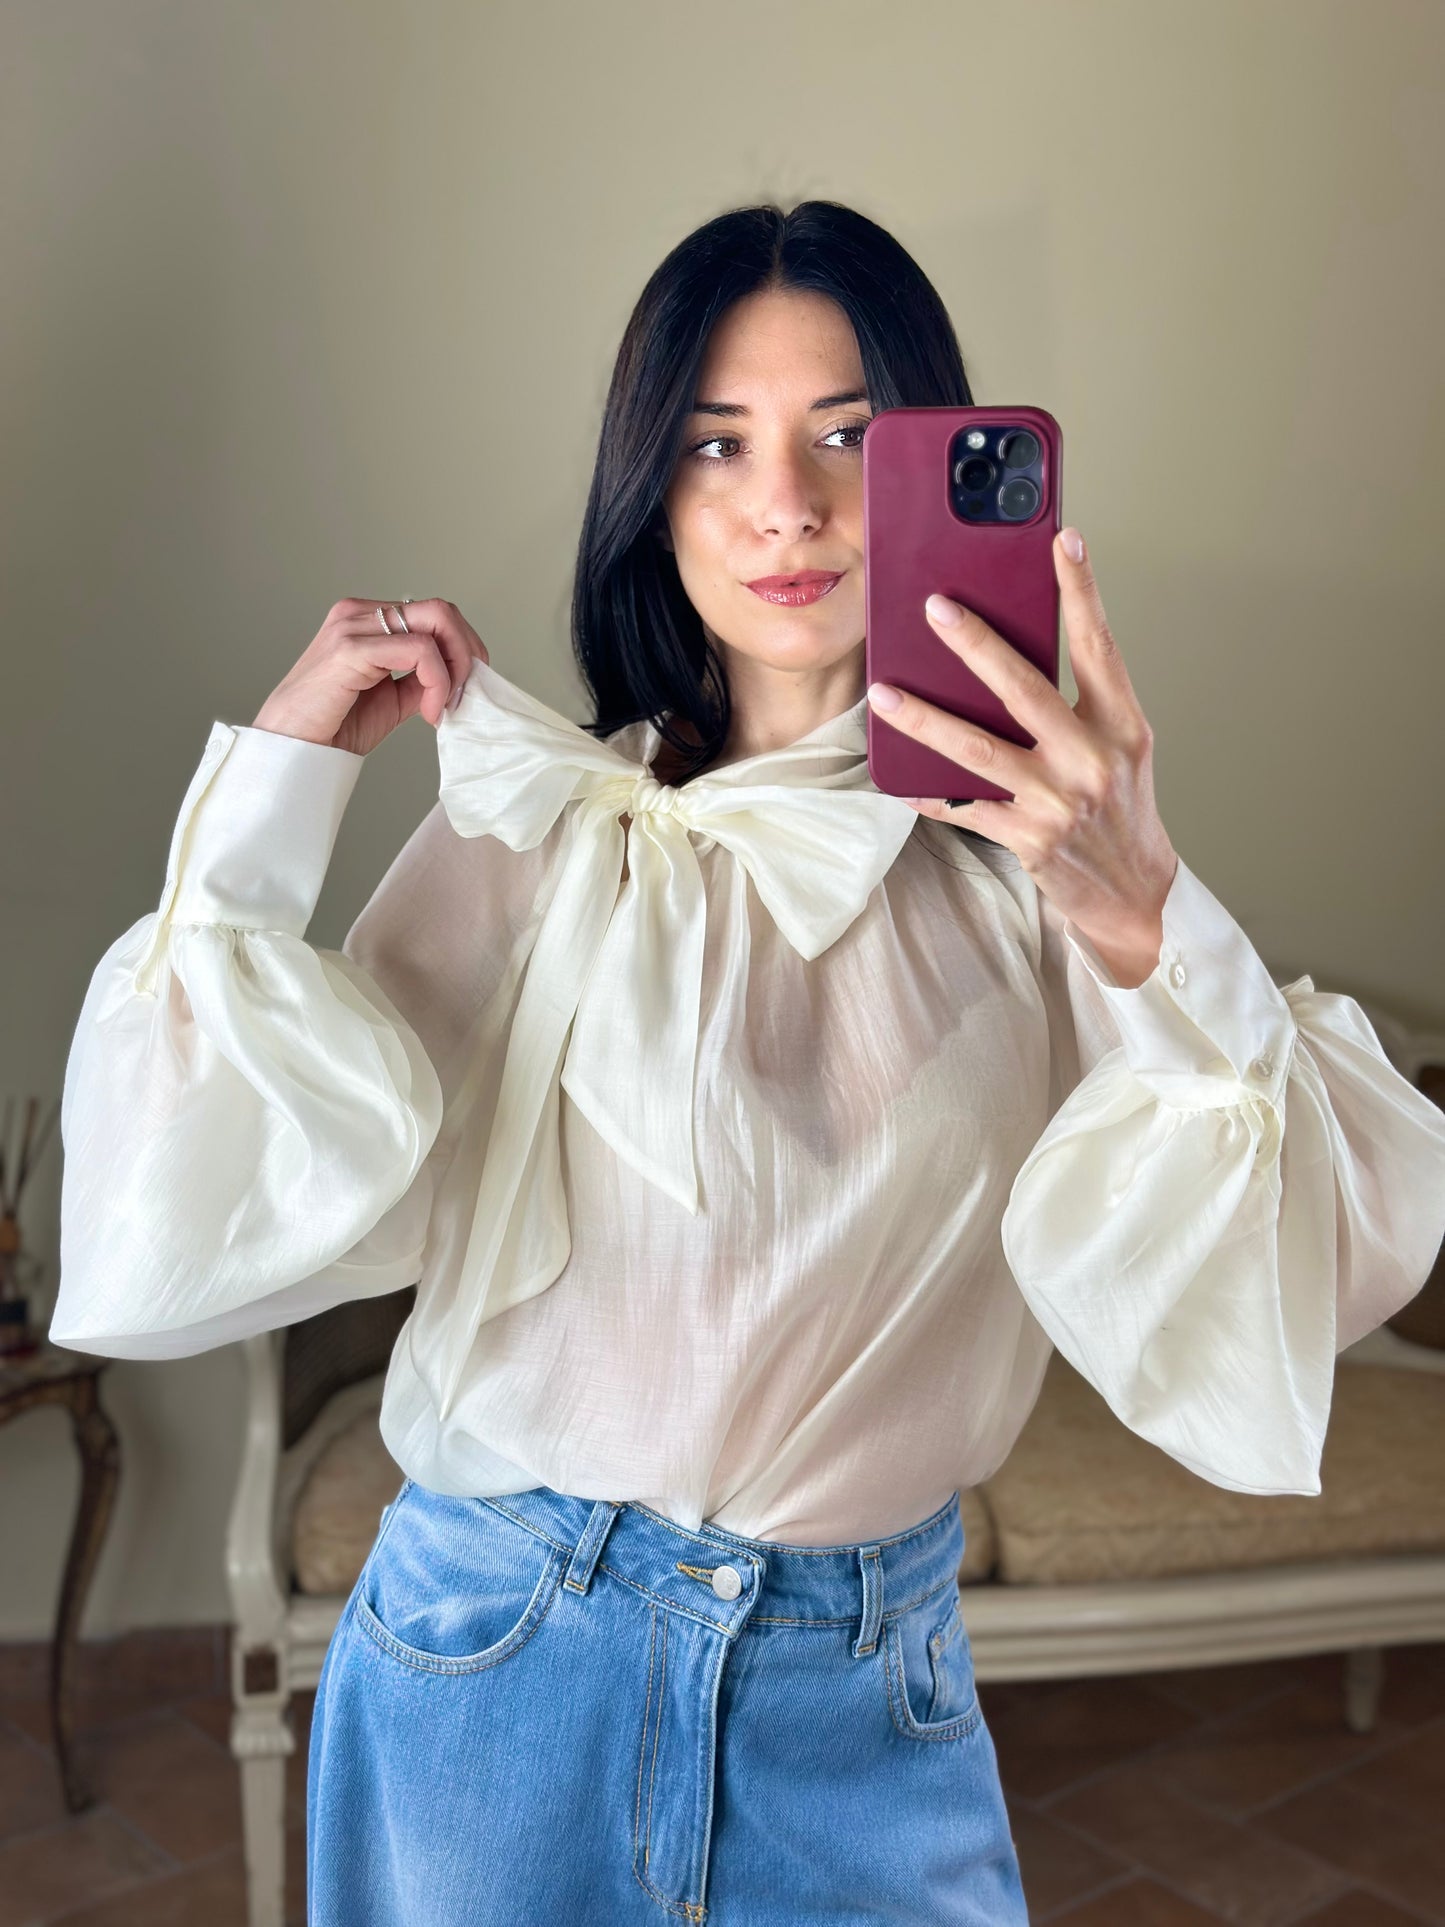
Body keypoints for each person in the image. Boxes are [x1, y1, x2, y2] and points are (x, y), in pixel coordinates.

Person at [50, 200, 1445, 1926]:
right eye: (716, 443)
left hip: (862, 1697)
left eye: (848, 436)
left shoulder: (1041, 874)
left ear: (938, 462)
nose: (786, 503)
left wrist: (1152, 915)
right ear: (651, 493)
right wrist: (274, 787)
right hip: (501, 1659)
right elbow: (194, 1188)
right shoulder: (543, 822)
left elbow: (1303, 1259)